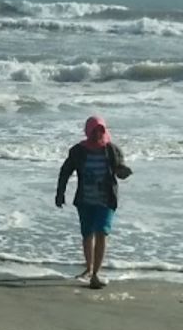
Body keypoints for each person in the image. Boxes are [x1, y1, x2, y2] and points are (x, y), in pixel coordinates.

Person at [55, 116, 133, 290]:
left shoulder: (112, 150)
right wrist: (60, 193)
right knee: (87, 234)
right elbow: (65, 171)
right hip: (85, 200)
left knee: (101, 232)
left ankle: (96, 274)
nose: (98, 134)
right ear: (88, 131)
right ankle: (88, 269)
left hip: (106, 200)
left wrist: (124, 171)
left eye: (101, 130)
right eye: (94, 131)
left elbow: (119, 170)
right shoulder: (78, 151)